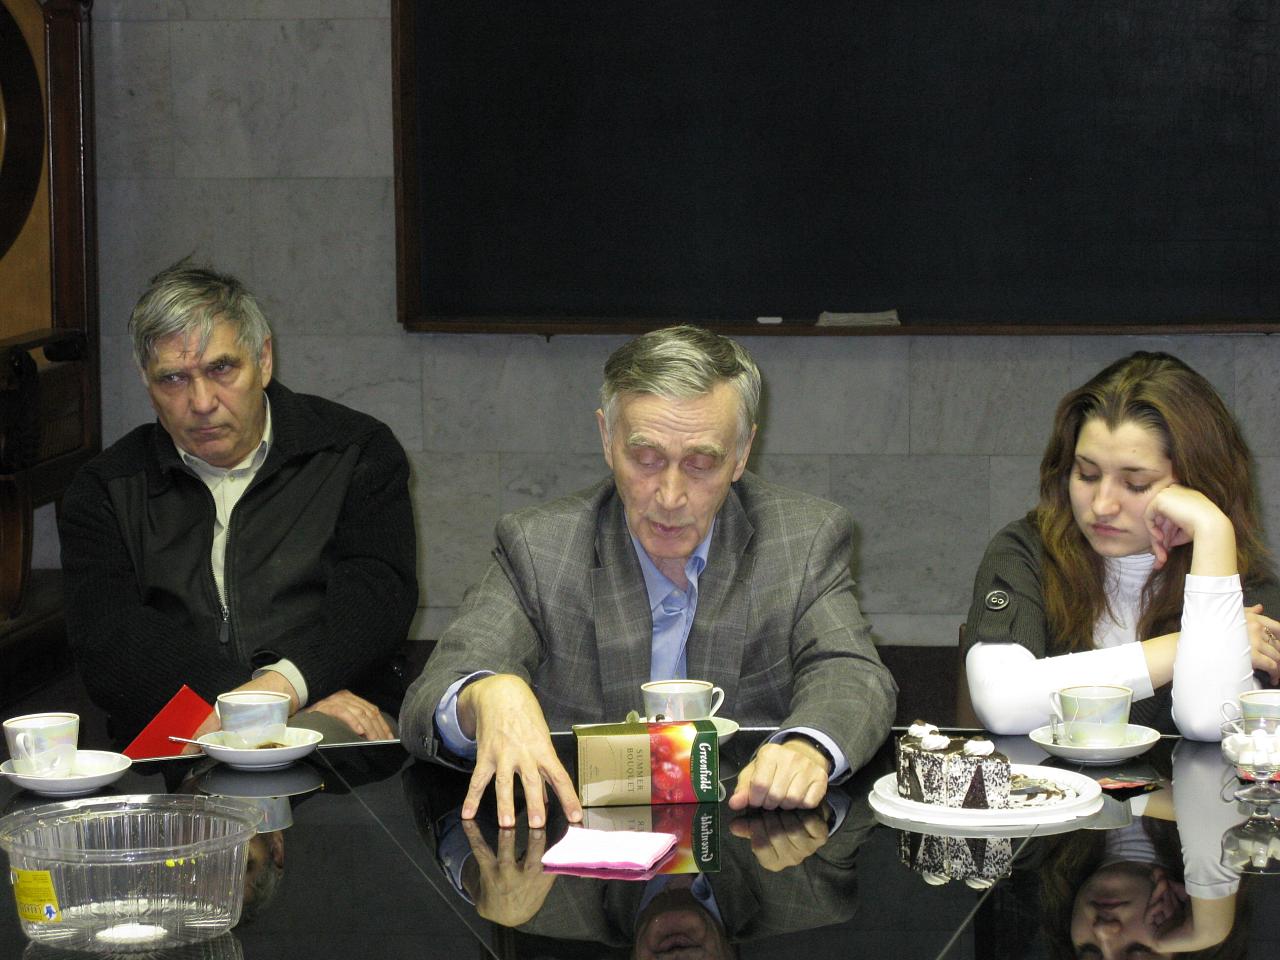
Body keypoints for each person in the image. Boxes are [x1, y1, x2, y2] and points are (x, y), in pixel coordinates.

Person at [401, 325, 896, 826]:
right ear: (606, 439)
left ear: (743, 452)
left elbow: (851, 674)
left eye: (700, 463)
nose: (670, 495)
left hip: (746, 845)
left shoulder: (801, 541)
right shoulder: (540, 548)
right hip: (578, 845)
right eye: (646, 459)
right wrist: (483, 695)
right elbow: (430, 697)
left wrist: (807, 746)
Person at [59, 261, 418, 743]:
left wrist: (292, 684)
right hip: (179, 725)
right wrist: (266, 699)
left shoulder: (355, 451)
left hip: (338, 709)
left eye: (221, 369)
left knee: (291, 750)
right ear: (146, 380)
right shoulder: (106, 487)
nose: (202, 401)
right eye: (173, 379)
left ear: (263, 360)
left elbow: (376, 601)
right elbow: (109, 641)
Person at [964, 351, 1280, 739]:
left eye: (1136, 484)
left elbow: (1209, 720)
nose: (1102, 506)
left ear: (1198, 484)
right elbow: (1002, 702)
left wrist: (1212, 529)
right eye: (1087, 474)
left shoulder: (1238, 581)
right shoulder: (1026, 550)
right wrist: (1189, 645)